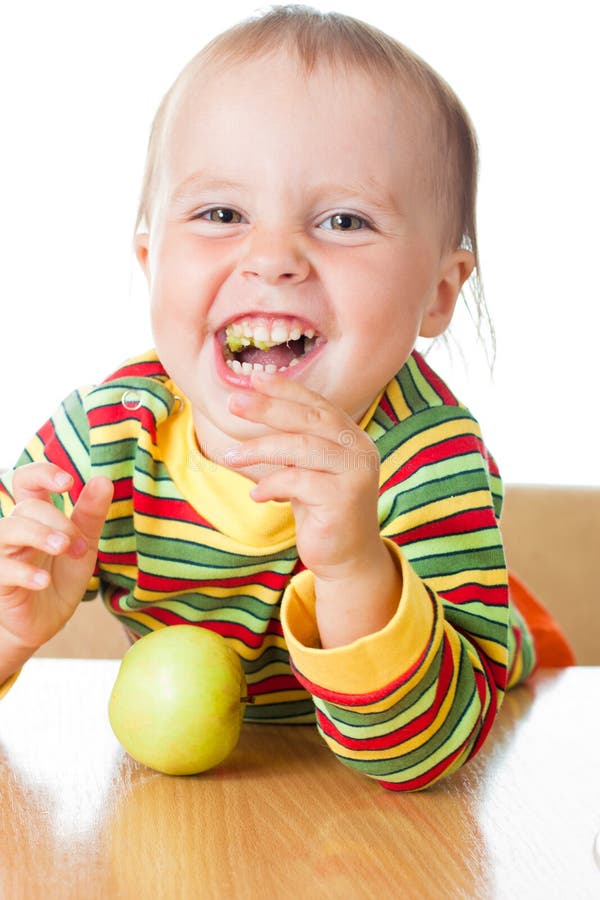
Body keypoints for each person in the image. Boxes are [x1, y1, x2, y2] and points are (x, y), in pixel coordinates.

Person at [0, 5, 550, 790]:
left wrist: (357, 567)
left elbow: (429, 758)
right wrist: (11, 628)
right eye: (222, 214)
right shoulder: (104, 438)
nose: (272, 258)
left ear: (437, 292)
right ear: (153, 262)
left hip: (408, 721)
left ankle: (508, 617)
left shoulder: (431, 461)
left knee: (491, 637)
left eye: (343, 219)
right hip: (226, 774)